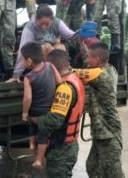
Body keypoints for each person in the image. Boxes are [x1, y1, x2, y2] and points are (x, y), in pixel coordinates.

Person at [30, 49, 85, 178]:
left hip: (61, 148)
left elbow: (54, 121)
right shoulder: (75, 78)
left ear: (52, 67)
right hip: (69, 145)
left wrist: (34, 119)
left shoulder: (64, 88)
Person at [73, 42, 125, 177]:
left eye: (90, 57)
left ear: (97, 60)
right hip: (101, 133)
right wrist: (84, 48)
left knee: (114, 173)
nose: (87, 60)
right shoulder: (110, 69)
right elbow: (88, 67)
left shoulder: (99, 75)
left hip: (109, 134)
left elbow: (69, 72)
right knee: (92, 166)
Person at [7, 4, 78, 83]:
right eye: (41, 24)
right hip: (36, 57)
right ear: (36, 19)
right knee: (46, 47)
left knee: (60, 47)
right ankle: (45, 75)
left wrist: (81, 33)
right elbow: (22, 51)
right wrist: (16, 75)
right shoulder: (29, 28)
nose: (44, 27)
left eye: (47, 24)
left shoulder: (57, 23)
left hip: (51, 56)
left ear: (52, 20)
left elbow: (71, 35)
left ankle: (63, 74)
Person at [20, 42, 62, 169]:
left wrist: (24, 112)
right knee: (42, 134)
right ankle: (37, 156)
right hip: (47, 109)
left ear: (29, 60)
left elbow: (28, 98)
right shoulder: (50, 65)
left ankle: (36, 154)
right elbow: (59, 81)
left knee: (33, 126)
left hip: (34, 110)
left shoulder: (29, 77)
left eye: (22, 59)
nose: (22, 62)